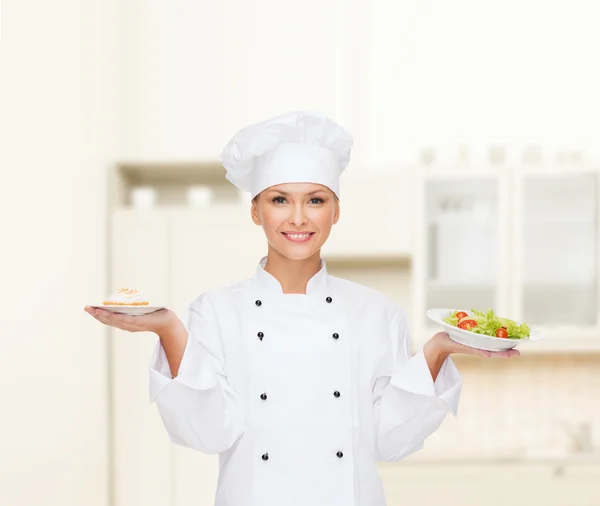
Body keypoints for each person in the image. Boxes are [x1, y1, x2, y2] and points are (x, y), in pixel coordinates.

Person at [85, 110, 519, 506]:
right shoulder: (216, 311)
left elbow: (388, 440)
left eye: (315, 200)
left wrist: (436, 351)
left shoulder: (377, 313)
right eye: (279, 200)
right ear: (255, 211)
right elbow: (208, 430)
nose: (298, 218)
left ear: (336, 211)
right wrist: (170, 331)